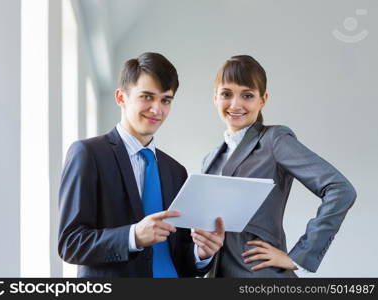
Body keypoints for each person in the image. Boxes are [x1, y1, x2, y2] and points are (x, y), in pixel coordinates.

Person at [58, 52, 225, 278]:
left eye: (166, 100)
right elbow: (71, 243)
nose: (157, 109)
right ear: (121, 98)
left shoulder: (175, 171)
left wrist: (202, 253)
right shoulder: (88, 154)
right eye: (147, 97)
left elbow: (180, 257)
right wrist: (133, 236)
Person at [202, 55, 356, 277]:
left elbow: (340, 190)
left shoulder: (274, 140)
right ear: (215, 97)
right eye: (226, 94)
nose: (235, 105)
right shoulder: (210, 158)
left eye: (247, 95)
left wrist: (299, 256)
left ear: (262, 100)